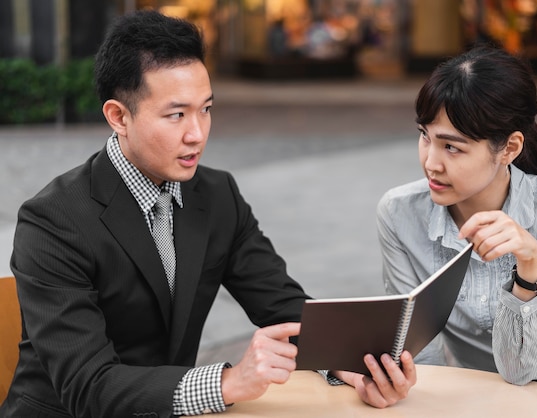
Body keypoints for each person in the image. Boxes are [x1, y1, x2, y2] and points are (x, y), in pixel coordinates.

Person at [0, 10, 415, 418]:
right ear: (118, 117)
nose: (197, 133)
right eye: (176, 114)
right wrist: (227, 383)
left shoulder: (217, 195)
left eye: (206, 108)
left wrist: (351, 366)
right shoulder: (53, 221)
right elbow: (87, 386)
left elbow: (284, 306)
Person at [376, 45, 537, 415]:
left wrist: (528, 268)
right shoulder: (399, 214)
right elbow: (418, 354)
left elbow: (522, 368)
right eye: (425, 136)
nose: (431, 162)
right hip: (484, 390)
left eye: (452, 148)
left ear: (509, 147)